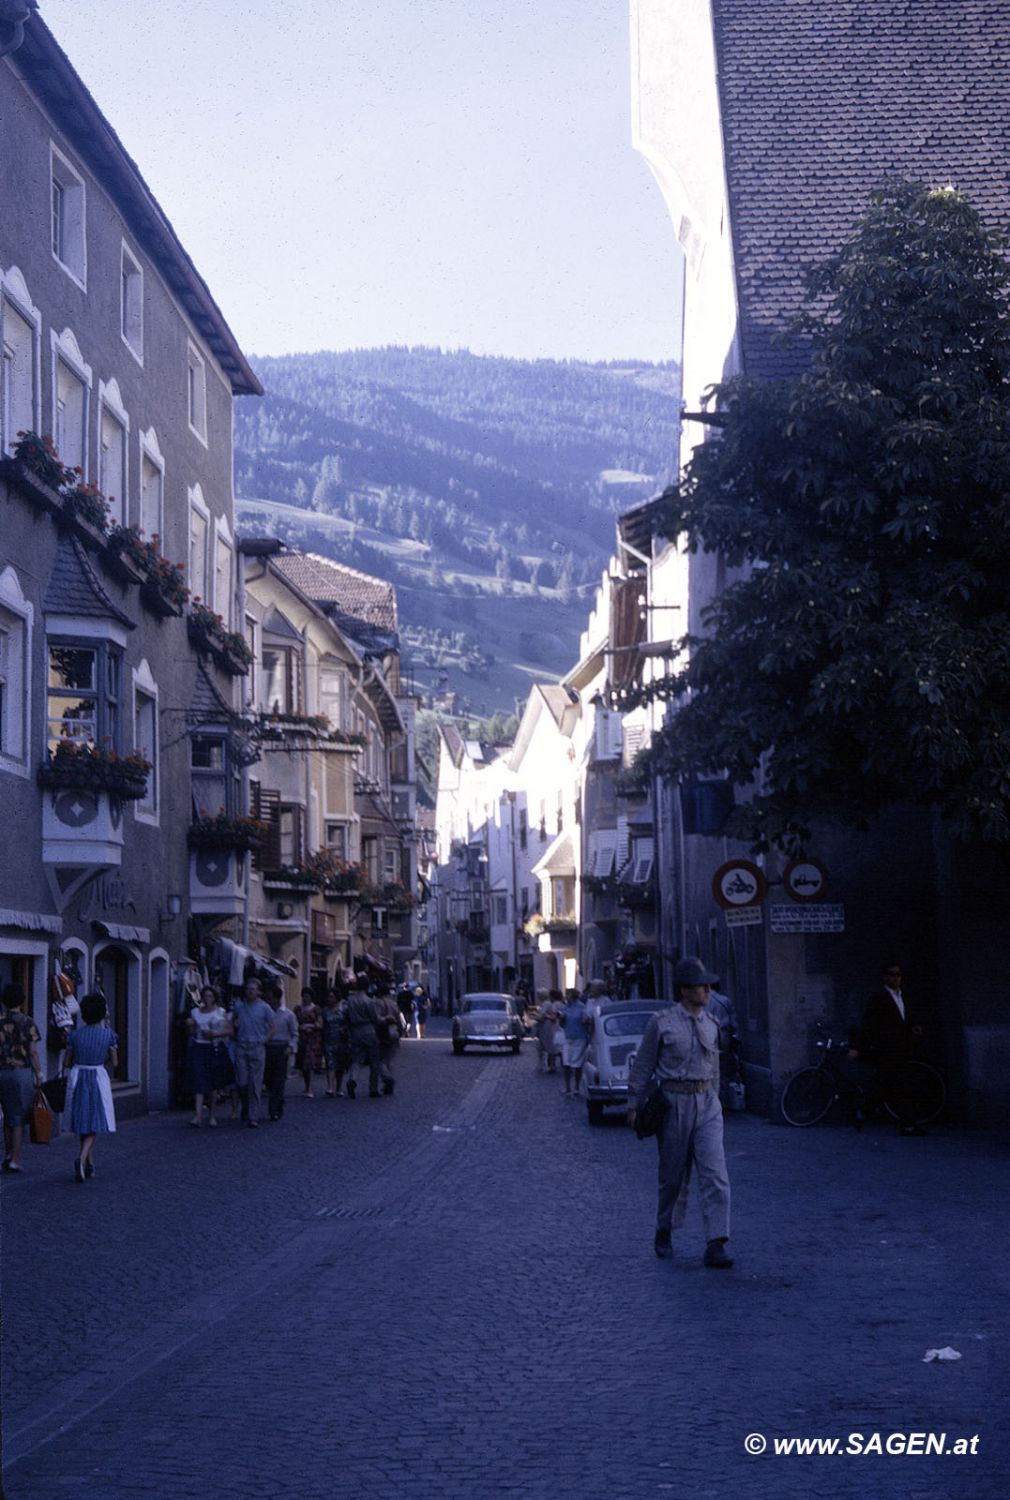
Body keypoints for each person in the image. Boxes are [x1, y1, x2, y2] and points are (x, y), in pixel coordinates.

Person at [628, 957, 733, 1269]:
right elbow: (644, 1064)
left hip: (707, 1104)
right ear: (685, 990)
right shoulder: (661, 1023)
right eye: (702, 986)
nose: (708, 992)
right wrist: (633, 1104)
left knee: (715, 1174)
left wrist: (715, 1101)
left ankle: (717, 1242)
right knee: (673, 1176)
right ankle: (664, 1229)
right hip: (674, 1102)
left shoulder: (711, 1024)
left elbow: (714, 1068)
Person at [851, 961, 923, 1133]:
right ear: (885, 978)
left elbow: (906, 1018)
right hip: (887, 1049)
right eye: (891, 974)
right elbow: (868, 1024)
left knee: (886, 1085)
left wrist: (914, 1027)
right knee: (900, 1086)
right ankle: (907, 1124)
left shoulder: (903, 996)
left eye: (898, 975)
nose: (895, 978)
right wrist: (857, 1047)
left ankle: (864, 1111)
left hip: (902, 1048)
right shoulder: (878, 998)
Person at [64, 991, 118, 1182]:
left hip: (79, 1077)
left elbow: (66, 1062)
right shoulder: (108, 1035)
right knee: (94, 1121)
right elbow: (115, 1062)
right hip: (97, 1076)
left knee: (82, 1120)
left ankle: (89, 1164)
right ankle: (82, 1158)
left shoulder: (75, 1036)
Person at [0, 982, 43, 1174]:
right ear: (22, 1000)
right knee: (18, 1116)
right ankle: (15, 1159)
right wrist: (39, 1074)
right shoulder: (27, 1022)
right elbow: (33, 1052)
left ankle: (8, 1154)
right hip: (20, 1073)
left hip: (1, 1070)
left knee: (7, 1114)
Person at [184, 984, 233, 1127]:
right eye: (205, 995)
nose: (207, 998)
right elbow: (190, 1033)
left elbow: (230, 1031)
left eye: (210, 996)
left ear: (215, 998)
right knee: (199, 1080)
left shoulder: (220, 1012)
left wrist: (215, 1034)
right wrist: (189, 1026)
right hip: (199, 1047)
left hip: (214, 1048)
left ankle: (212, 1115)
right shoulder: (195, 1012)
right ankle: (198, 1116)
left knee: (213, 1083)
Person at [231, 976, 276, 1127]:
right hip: (242, 1046)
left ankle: (253, 1116)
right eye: (248, 989)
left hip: (257, 1046)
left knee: (255, 1083)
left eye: (253, 989)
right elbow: (230, 1021)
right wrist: (234, 1026)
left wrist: (265, 1039)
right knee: (241, 1081)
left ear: (259, 992)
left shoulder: (265, 1008)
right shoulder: (239, 1006)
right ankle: (245, 1104)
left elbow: (273, 1026)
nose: (249, 991)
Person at [343, 977, 382, 1098]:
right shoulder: (369, 1001)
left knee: (356, 1059)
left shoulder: (349, 1000)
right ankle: (373, 1089)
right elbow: (375, 1018)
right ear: (367, 987)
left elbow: (345, 1016)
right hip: (368, 1030)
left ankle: (352, 1079)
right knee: (374, 1060)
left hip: (355, 1031)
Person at [264, 984, 298, 1121]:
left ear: (277, 999)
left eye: (270, 998)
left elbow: (295, 1033)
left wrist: (291, 1047)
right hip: (266, 1047)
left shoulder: (288, 1014)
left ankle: (273, 1109)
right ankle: (278, 1099)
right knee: (268, 1079)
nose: (268, 1001)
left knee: (279, 1079)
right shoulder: (265, 1012)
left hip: (281, 1048)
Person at [560, 986, 591, 1096]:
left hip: (579, 1037)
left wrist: (586, 1020)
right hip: (568, 1037)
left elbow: (586, 1020)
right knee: (566, 1063)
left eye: (567, 995)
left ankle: (577, 1087)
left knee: (577, 1064)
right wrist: (561, 1018)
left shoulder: (582, 1007)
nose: (566, 997)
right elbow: (562, 1024)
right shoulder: (564, 1007)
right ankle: (568, 1087)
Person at [373, 987, 403, 1096]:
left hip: (382, 1033)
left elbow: (376, 1018)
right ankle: (387, 1086)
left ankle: (387, 1078)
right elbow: (399, 1019)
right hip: (393, 1033)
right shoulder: (393, 1004)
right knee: (389, 1060)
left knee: (379, 1060)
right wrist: (400, 1032)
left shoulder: (377, 1003)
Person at [294, 987, 323, 1098]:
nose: (305, 998)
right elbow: (294, 1023)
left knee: (310, 1063)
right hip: (302, 1039)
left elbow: (320, 1024)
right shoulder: (298, 1009)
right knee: (303, 1065)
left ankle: (310, 1088)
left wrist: (310, 1025)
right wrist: (300, 1027)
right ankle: (306, 1086)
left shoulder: (316, 1009)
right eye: (304, 996)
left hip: (313, 1038)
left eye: (307, 996)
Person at [320, 989, 350, 1097]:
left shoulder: (344, 1010)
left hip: (341, 1040)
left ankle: (339, 1087)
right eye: (329, 997)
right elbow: (322, 1024)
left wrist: (345, 1029)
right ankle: (330, 1087)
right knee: (330, 1064)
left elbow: (349, 1023)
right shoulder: (325, 1011)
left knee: (340, 1065)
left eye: (332, 997)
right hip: (328, 1039)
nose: (329, 999)